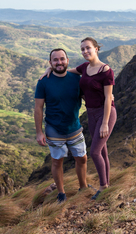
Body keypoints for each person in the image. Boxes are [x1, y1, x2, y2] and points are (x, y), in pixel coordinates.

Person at [41, 37, 117, 200]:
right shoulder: (85, 68)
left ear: (96, 48)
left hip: (105, 114)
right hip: (91, 114)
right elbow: (65, 71)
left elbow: (108, 98)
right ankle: (107, 183)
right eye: (82, 49)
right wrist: (50, 69)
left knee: (95, 152)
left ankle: (103, 188)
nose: (85, 51)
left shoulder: (106, 71)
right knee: (102, 151)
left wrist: (104, 123)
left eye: (88, 48)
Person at [34, 48, 88, 203]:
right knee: (57, 161)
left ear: (67, 60)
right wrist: (39, 132)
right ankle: (61, 193)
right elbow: (38, 108)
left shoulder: (76, 79)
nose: (59, 62)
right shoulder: (44, 81)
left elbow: (88, 98)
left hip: (74, 127)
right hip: (54, 129)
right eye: (55, 60)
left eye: (62, 59)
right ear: (50, 63)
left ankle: (83, 187)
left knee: (82, 158)